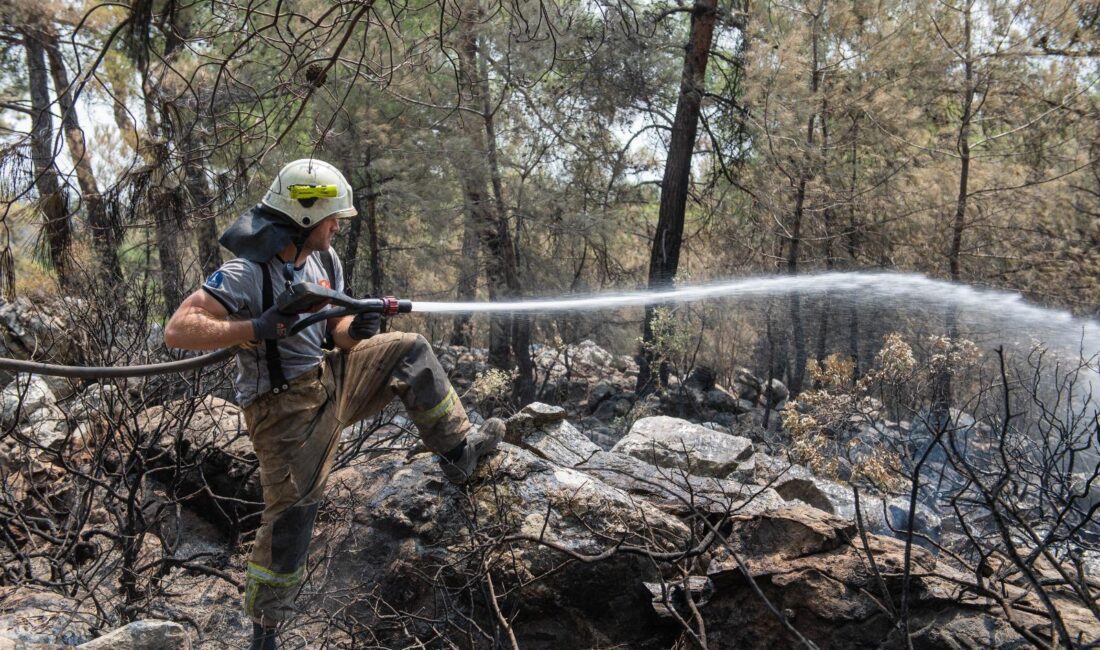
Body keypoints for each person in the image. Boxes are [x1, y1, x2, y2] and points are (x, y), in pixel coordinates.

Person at [164, 159, 504, 650]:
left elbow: (336, 335)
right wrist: (253, 328)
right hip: (282, 410)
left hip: (332, 379)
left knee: (409, 351)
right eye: (331, 218)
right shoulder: (246, 273)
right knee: (293, 516)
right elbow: (179, 329)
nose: (337, 227)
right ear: (305, 220)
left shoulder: (324, 263)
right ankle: (265, 632)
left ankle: (459, 455)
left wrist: (356, 327)